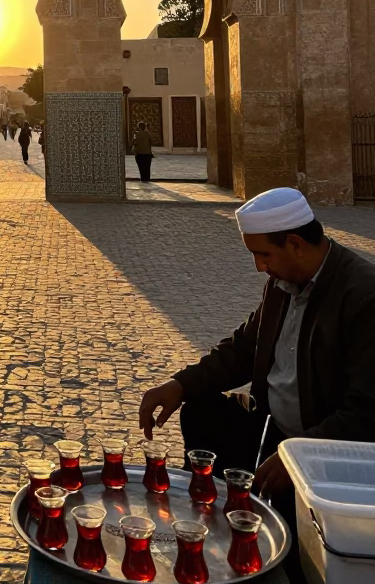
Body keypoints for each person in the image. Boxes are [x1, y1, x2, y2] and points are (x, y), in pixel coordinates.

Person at [138, 186, 375, 499]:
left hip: (322, 454)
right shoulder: (281, 284)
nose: (259, 267)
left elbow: (365, 413)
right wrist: (179, 384)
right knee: (200, 410)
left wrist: (298, 457)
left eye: (263, 254)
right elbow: (244, 349)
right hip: (268, 428)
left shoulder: (362, 296)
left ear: (296, 244)